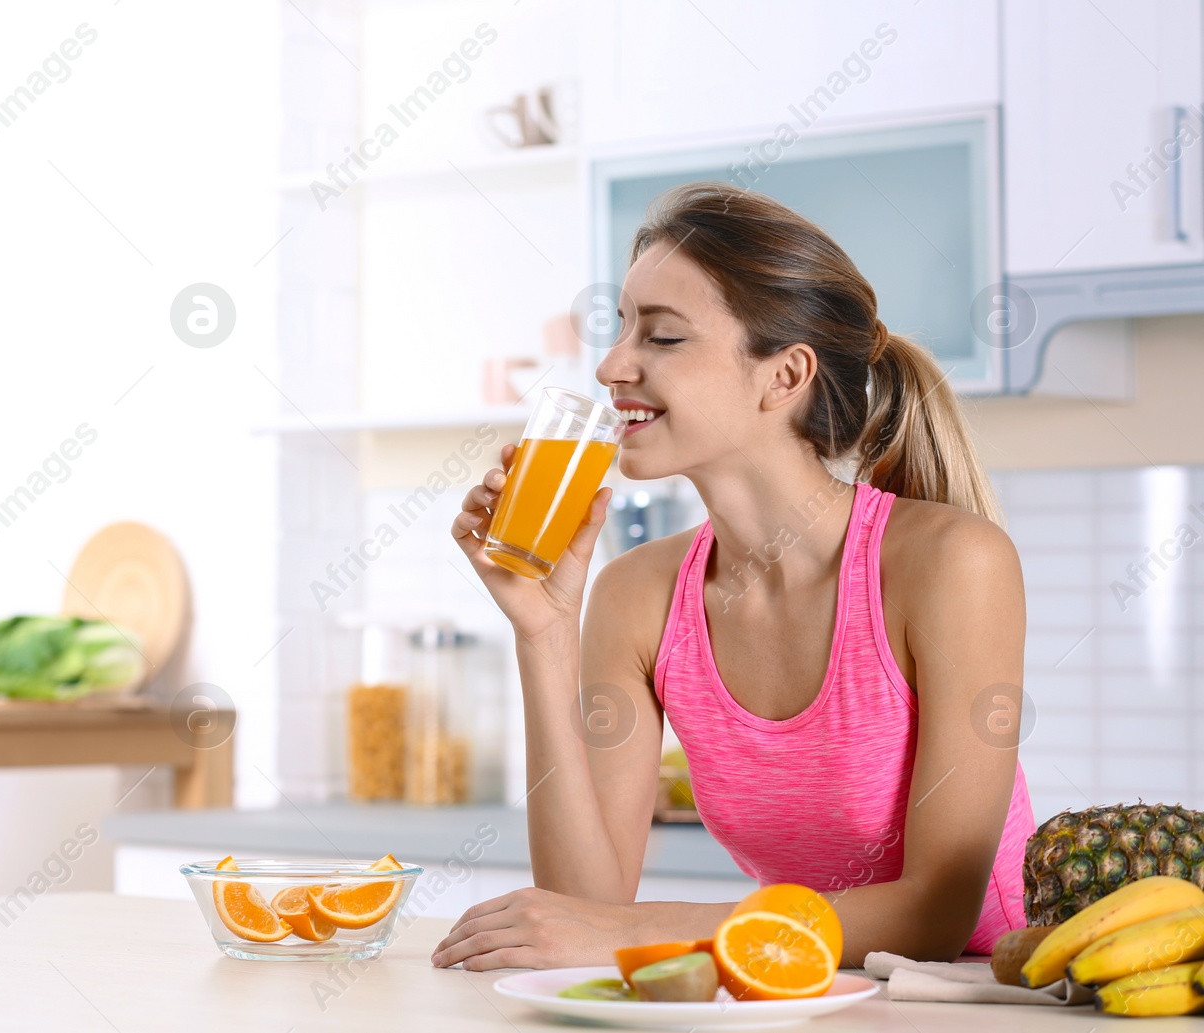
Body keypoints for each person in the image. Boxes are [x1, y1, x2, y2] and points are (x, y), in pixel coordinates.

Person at [436, 181, 1035, 971]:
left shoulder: (953, 562)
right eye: (622, 330)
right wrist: (543, 630)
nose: (614, 365)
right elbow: (588, 904)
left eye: (664, 338)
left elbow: (934, 911)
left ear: (784, 376)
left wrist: (642, 930)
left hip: (987, 1000)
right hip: (798, 989)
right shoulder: (638, 594)